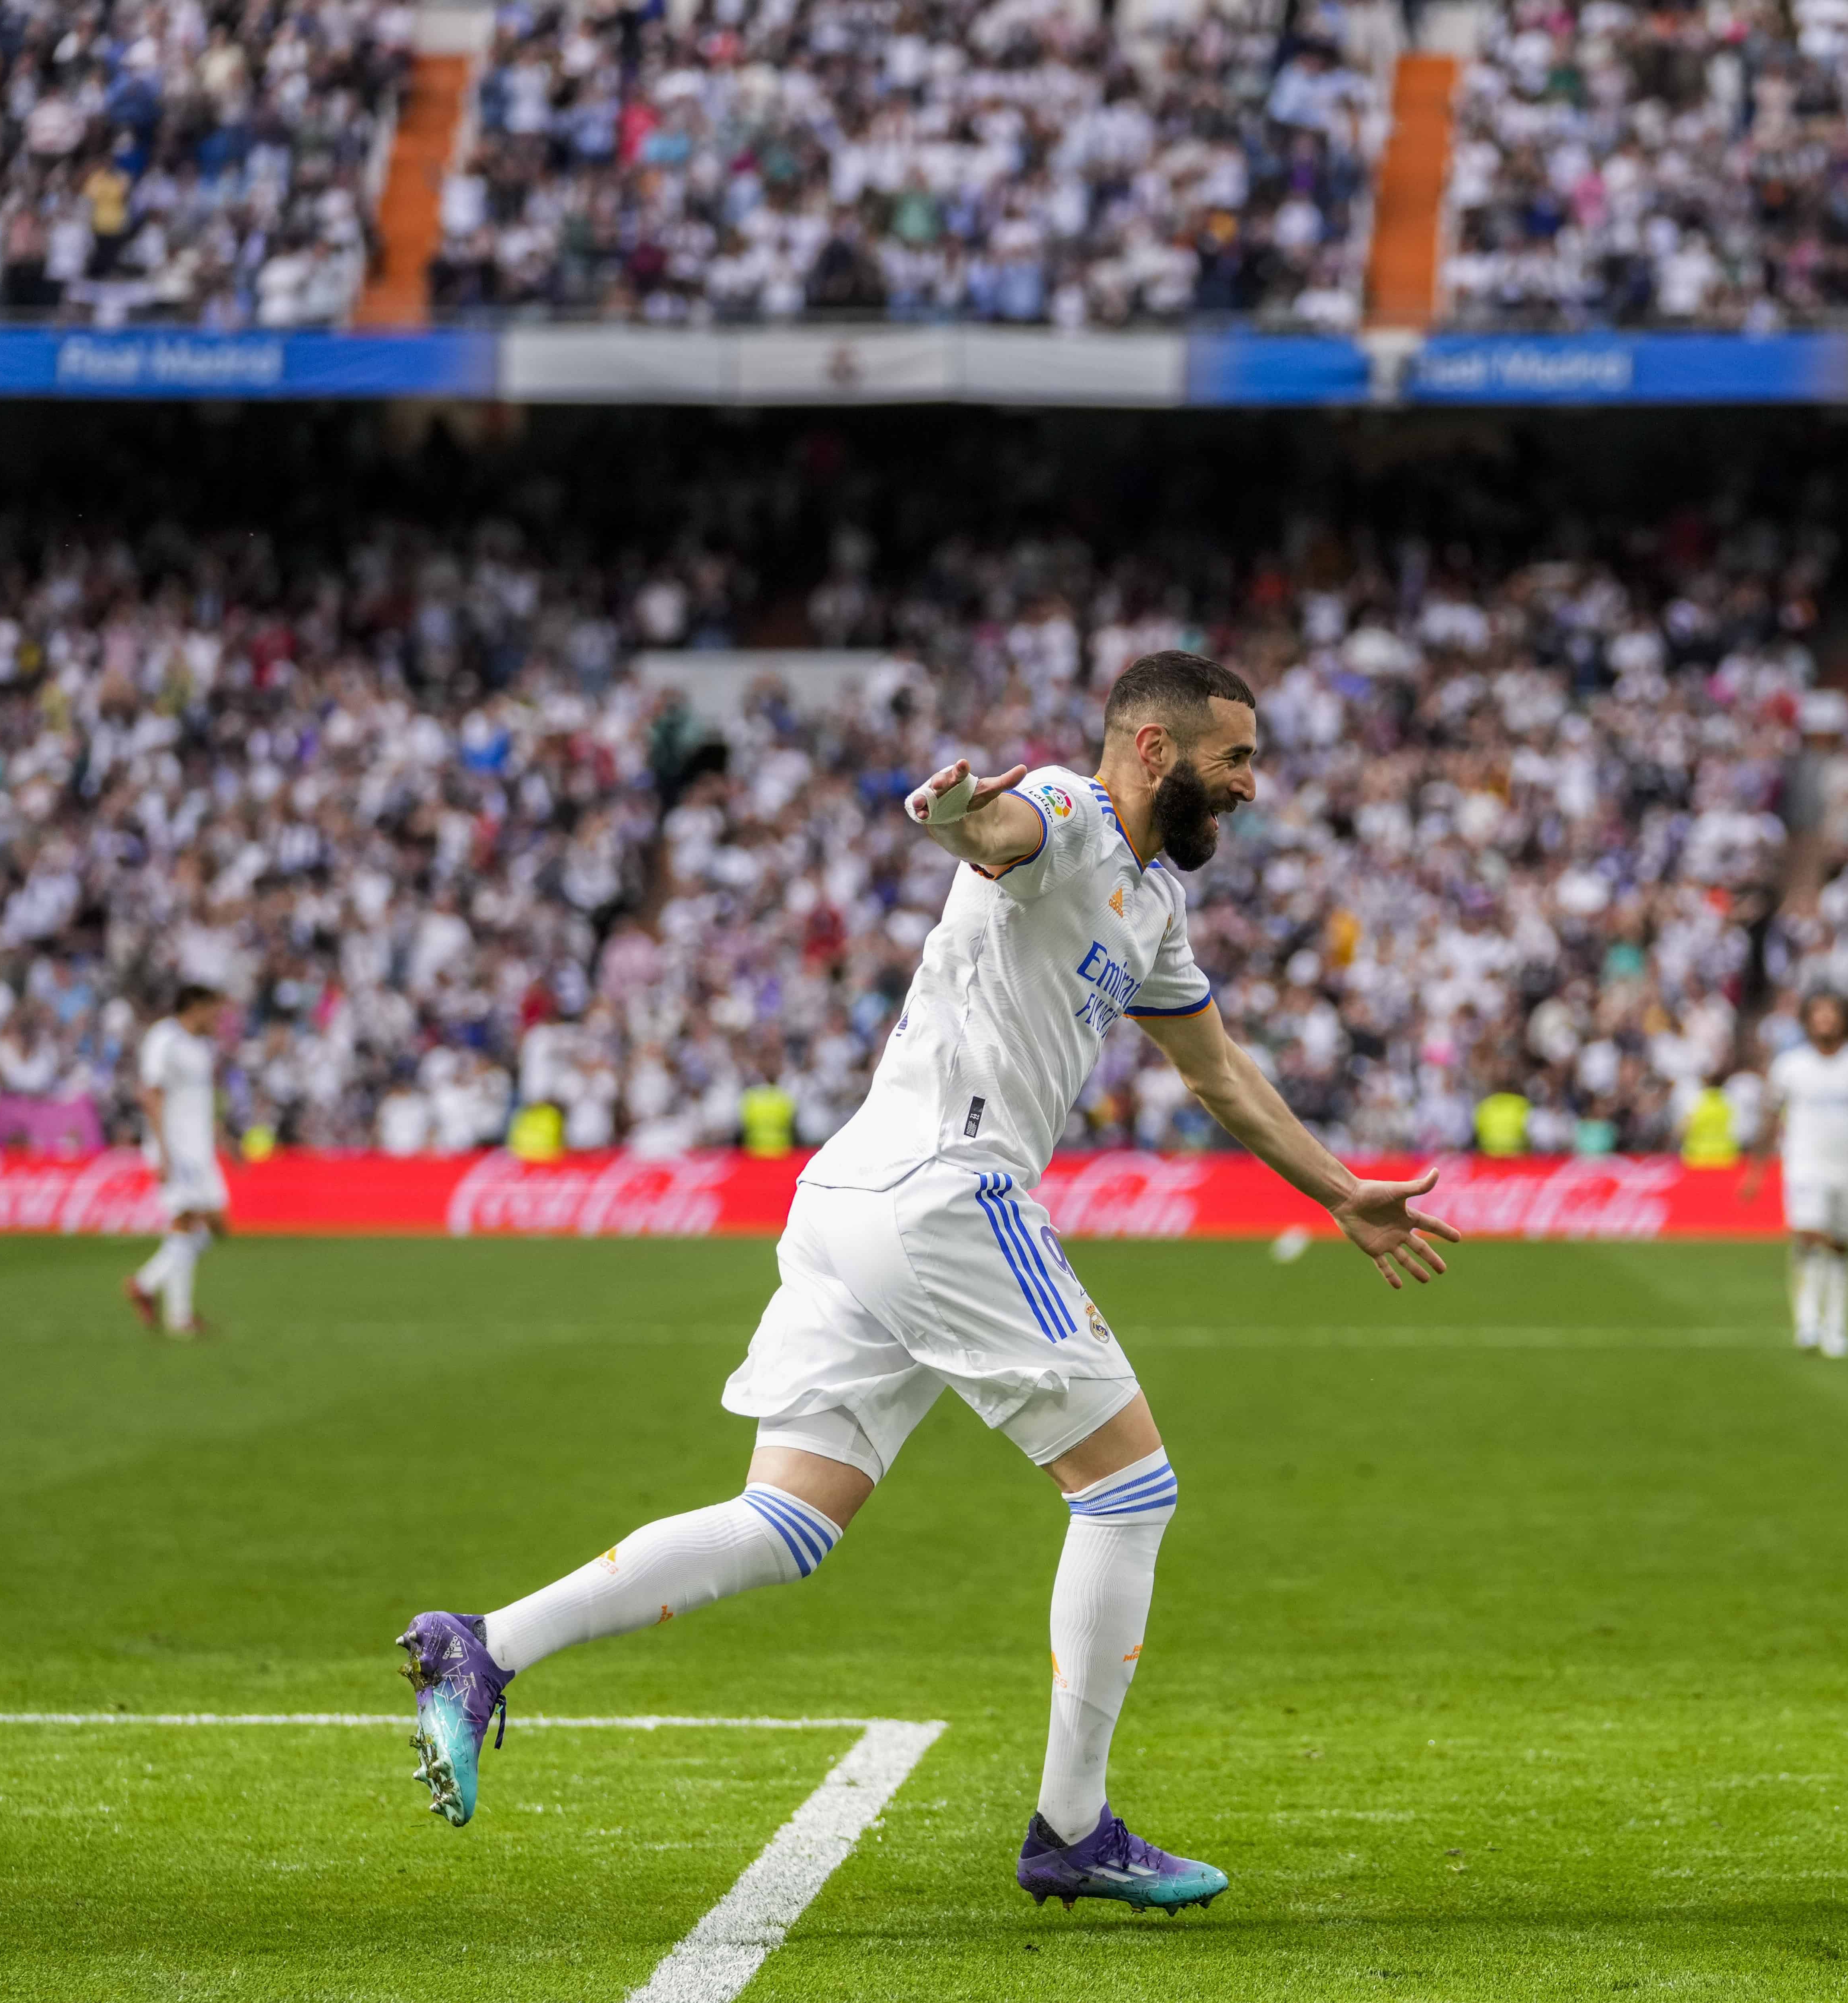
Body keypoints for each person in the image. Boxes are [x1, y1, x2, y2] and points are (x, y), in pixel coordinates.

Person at [393, 651, 1460, 1914]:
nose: (1250, 787)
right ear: (1157, 751)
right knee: (1129, 1491)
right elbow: (991, 828)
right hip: (947, 1193)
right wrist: (950, 809)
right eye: (1234, 760)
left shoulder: (1153, 908)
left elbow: (1220, 1079)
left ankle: (486, 1647)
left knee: (786, 1526)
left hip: (855, 1201)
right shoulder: (1065, 811)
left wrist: (1340, 1189)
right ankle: (1072, 1827)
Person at [1741, 989, 1848, 1359]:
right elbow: (1771, 1119)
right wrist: (1756, 1170)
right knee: (1809, 1235)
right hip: (1805, 1166)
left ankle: (1836, 1327)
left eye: (1832, 1013)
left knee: (1840, 1246)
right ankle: (1807, 1322)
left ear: (1843, 1019)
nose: (1825, 1020)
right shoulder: (1791, 1065)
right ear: (1807, 1019)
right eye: (1818, 1013)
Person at [125, 984, 228, 1339]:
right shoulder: (163, 1039)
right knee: (185, 1223)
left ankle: (146, 1282)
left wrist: (221, 1137)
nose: (219, 1019)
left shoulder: (202, 1047)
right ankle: (179, 1318)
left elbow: (198, 1101)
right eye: (215, 1011)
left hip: (200, 1150)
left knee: (215, 1225)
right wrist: (164, 1151)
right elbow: (149, 1093)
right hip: (177, 1149)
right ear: (196, 1007)